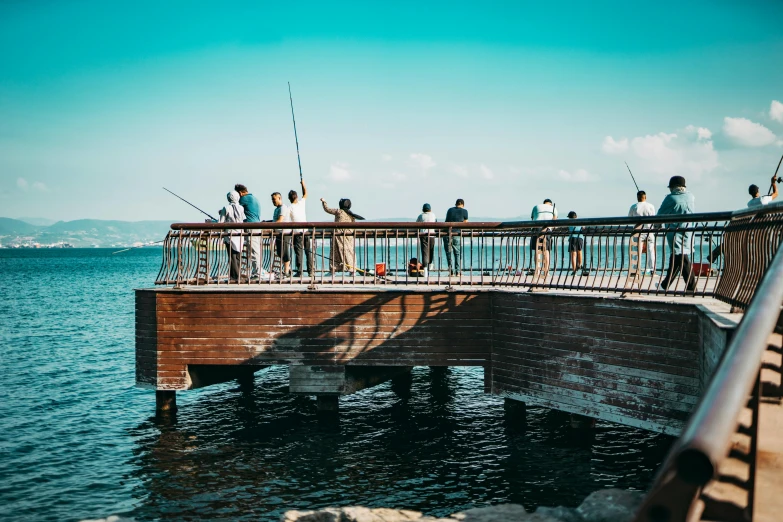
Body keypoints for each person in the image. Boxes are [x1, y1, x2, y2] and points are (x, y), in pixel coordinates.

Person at [658, 176, 696, 292]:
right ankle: (665, 285)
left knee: (681, 257)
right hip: (688, 230)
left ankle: (691, 287)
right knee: (677, 257)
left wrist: (656, 227)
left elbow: (659, 214)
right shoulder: (691, 196)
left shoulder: (670, 198)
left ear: (673, 187)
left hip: (674, 232)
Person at [321, 198, 365, 273]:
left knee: (335, 253)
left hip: (338, 235)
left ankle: (334, 270)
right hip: (348, 236)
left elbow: (327, 209)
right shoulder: (352, 215)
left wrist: (324, 201)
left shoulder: (339, 212)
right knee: (349, 253)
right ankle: (352, 270)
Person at [235, 184, 267, 279]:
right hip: (257, 225)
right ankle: (258, 270)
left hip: (251, 226)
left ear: (240, 193)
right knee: (256, 249)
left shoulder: (244, 199)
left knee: (253, 250)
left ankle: (257, 273)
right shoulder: (254, 198)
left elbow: (235, 209)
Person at [218, 190, 246, 282]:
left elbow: (220, 223)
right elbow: (243, 219)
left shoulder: (226, 208)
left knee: (232, 256)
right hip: (240, 234)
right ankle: (238, 274)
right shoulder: (241, 208)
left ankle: (234, 276)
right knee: (238, 256)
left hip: (229, 235)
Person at [288, 179, 314, 277]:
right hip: (306, 231)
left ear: (289, 198)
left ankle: (299, 272)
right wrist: (303, 184)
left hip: (297, 233)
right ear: (296, 197)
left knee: (298, 253)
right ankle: (311, 271)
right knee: (308, 252)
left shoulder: (290, 208)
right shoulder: (301, 203)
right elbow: (305, 193)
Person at [628, 190, 657, 273]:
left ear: (637, 197)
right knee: (651, 250)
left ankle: (635, 269)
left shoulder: (634, 206)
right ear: (645, 197)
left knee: (637, 251)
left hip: (638, 231)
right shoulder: (651, 206)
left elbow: (629, 218)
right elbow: (653, 218)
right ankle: (652, 269)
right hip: (649, 230)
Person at [528, 199, 557, 274]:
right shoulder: (553, 208)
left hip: (536, 228)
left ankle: (537, 270)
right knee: (546, 251)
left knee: (537, 250)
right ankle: (546, 271)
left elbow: (532, 218)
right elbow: (555, 221)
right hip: (547, 229)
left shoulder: (536, 207)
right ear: (550, 204)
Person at [444, 199, 468, 275]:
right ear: (463, 205)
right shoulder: (464, 211)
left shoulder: (449, 210)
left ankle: (451, 272)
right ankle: (458, 272)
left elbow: (446, 221)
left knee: (449, 253)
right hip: (457, 233)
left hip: (447, 233)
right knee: (457, 253)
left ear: (455, 204)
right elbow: (465, 223)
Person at [271, 191, 292, 276]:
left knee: (285, 252)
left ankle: (286, 271)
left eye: (274, 199)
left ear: (279, 198)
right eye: (272, 199)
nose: (273, 201)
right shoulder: (276, 209)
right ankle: (288, 268)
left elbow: (280, 220)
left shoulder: (283, 208)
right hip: (278, 233)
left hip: (285, 233)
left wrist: (268, 227)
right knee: (280, 252)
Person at [416, 203, 437, 277]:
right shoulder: (433, 215)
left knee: (424, 252)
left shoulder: (421, 216)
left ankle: (425, 270)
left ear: (423, 209)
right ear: (430, 209)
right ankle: (430, 264)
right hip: (432, 234)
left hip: (423, 235)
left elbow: (416, 224)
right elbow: (436, 223)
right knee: (431, 250)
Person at [567, 211, 584, 275]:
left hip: (572, 238)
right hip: (580, 237)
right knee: (580, 251)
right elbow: (583, 227)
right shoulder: (580, 221)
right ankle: (580, 264)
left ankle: (574, 270)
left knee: (573, 254)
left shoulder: (569, 222)